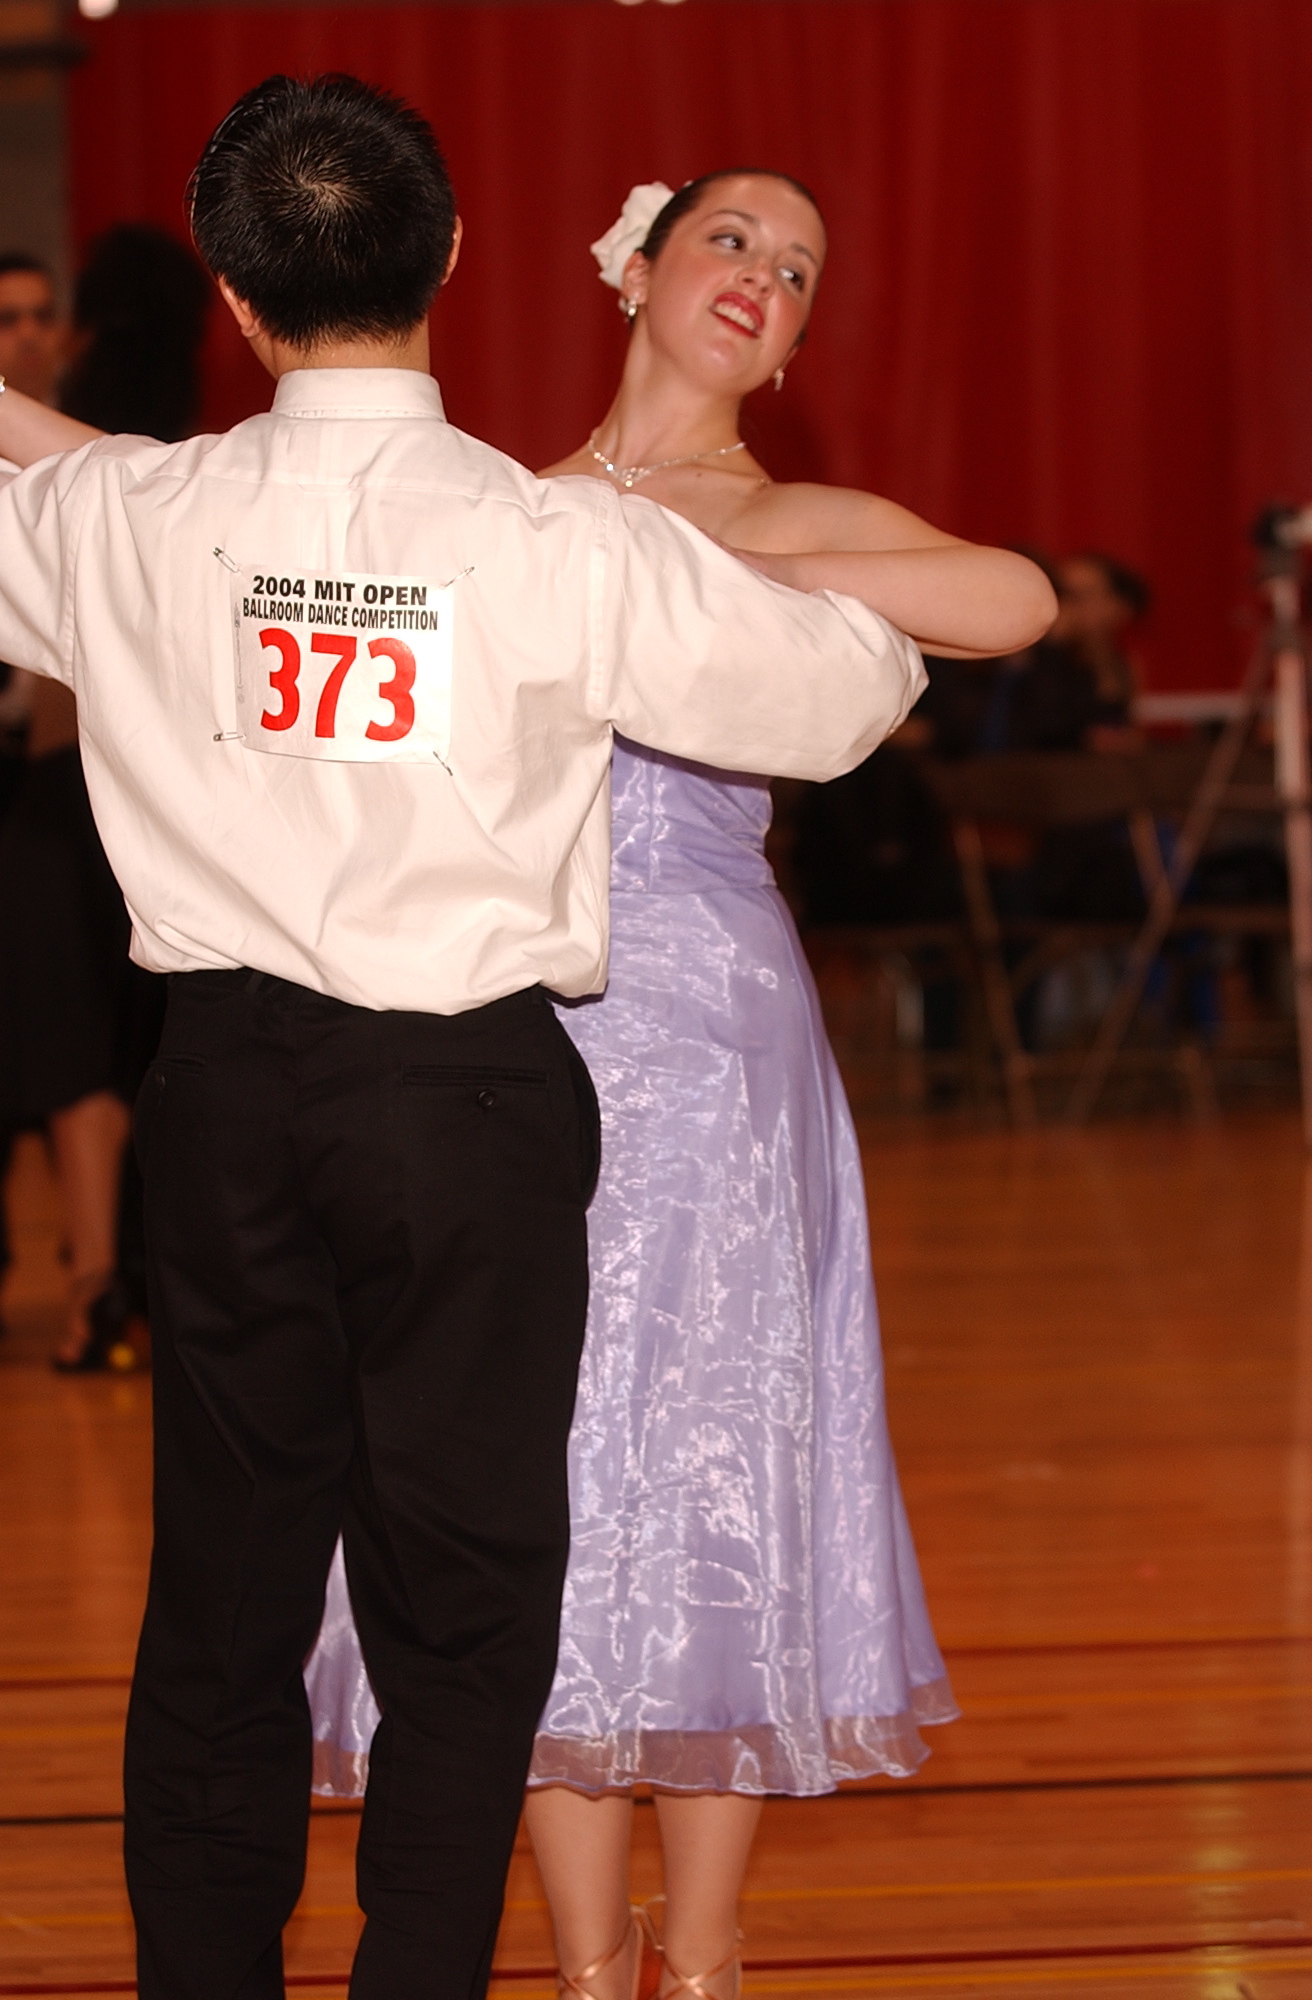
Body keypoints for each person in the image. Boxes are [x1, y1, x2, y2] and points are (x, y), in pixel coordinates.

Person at [0, 82, 936, 2000]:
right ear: (444, 259)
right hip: (473, 1100)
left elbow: (73, 505)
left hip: (228, 1096)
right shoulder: (555, 541)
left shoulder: (131, 517)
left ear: (236, 299)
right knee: (468, 1603)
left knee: (224, 1598)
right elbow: (845, 699)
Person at [305, 172, 1056, 2000]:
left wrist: (724, 570)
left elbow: (1015, 598)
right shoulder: (500, 506)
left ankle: (702, 1961)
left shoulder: (787, 514)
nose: (764, 278)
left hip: (717, 1043)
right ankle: (588, 1964)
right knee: (529, 1469)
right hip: (509, 1022)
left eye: (797, 271)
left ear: (790, 345)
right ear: (635, 271)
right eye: (733, 241)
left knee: (721, 1457)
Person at [0, 226, 210, 1369]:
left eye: (46, 315)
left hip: (69, 788)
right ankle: (116, 1278)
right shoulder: (173, 438)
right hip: (132, 784)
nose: (34, 336)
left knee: (80, 1042)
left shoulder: (94, 442)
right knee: (114, 1039)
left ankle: (96, 1287)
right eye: (12, 319)